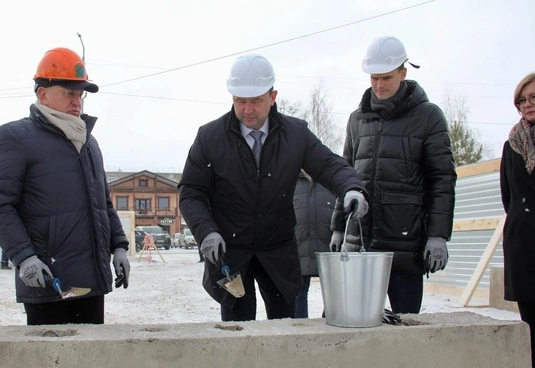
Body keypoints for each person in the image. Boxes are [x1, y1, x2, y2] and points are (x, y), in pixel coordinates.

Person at [178, 53, 367, 322]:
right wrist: (206, 231)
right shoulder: (211, 138)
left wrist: (351, 188)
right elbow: (191, 192)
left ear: (273, 96)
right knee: (238, 334)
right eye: (240, 101)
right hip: (230, 255)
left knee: (284, 332)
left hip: (277, 253)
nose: (247, 110)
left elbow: (328, 165)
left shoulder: (295, 134)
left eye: (255, 101)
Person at [0, 47, 130, 326]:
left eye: (79, 94)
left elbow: (103, 204)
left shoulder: (88, 142)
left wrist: (119, 245)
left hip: (91, 279)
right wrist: (24, 257)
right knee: (49, 364)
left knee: (89, 361)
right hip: (48, 276)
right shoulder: (14, 137)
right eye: (68, 92)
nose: (76, 101)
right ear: (42, 94)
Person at [330, 36, 456, 314]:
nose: (379, 85)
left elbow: (442, 180)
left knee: (405, 329)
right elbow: (345, 174)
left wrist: (438, 235)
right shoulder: (357, 119)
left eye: (386, 77)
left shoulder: (428, 117)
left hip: (404, 246)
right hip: (360, 244)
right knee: (348, 322)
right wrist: (339, 226)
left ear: (403, 72)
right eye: (374, 78)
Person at [500, 72, 535, 368]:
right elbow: (508, 198)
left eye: (533, 98)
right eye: (522, 100)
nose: (527, 105)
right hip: (526, 246)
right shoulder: (513, 144)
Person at [293, 171, 335, 318]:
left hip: (328, 248)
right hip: (299, 248)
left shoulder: (330, 180)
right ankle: (299, 332)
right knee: (298, 294)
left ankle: (332, 331)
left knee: (334, 295)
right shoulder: (290, 179)